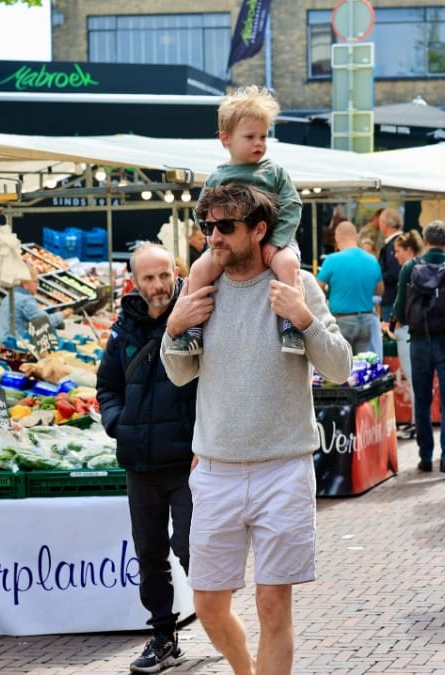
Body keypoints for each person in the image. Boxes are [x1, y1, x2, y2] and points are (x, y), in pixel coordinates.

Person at [161, 183, 352, 675]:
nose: (214, 237)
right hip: (217, 469)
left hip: (283, 467)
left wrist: (303, 318)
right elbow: (179, 371)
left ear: (259, 229)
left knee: (273, 605)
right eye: (208, 228)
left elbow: (340, 369)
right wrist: (174, 327)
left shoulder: (297, 284)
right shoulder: (200, 287)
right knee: (207, 604)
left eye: (226, 227)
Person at [95, 244, 197, 674]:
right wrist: (120, 422)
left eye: (163, 276)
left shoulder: (196, 315)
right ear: (134, 281)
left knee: (194, 548)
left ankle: (221, 623)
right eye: (148, 278)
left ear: (176, 272)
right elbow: (107, 385)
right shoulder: (124, 328)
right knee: (150, 554)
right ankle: (162, 637)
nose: (157, 286)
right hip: (139, 462)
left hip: (188, 462)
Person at [169, 85, 305, 357]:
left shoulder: (274, 172)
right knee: (197, 272)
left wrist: (276, 242)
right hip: (232, 246)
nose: (259, 143)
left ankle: (292, 327)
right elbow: (200, 212)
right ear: (225, 139)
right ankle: (193, 332)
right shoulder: (218, 177)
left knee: (289, 264)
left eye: (263, 136)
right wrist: (217, 237)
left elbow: (292, 206)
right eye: (250, 137)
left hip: (277, 241)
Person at [392, 220, 445, 478]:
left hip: (419, 342)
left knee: (422, 399)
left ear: (425, 241)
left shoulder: (410, 268)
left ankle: (425, 456)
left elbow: (401, 308)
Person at [317, 221, 384, 356]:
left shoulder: (332, 260)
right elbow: (380, 291)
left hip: (342, 321)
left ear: (337, 238)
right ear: (356, 237)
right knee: (361, 366)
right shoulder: (372, 260)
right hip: (366, 319)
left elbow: (317, 289)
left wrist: (329, 292)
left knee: (341, 368)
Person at [390, 230, 425, 440]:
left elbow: (400, 304)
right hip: (422, 331)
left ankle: (415, 424)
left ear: (409, 250)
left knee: (413, 379)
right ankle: (418, 423)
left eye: (398, 251)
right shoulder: (424, 268)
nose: (395, 255)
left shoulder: (408, 270)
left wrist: (396, 323)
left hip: (407, 330)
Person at [0, 266, 69, 347]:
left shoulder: (8, 297)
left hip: (0, 344)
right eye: (35, 281)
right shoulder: (26, 300)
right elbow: (45, 322)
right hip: (14, 346)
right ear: (24, 283)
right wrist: (64, 313)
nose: (38, 285)